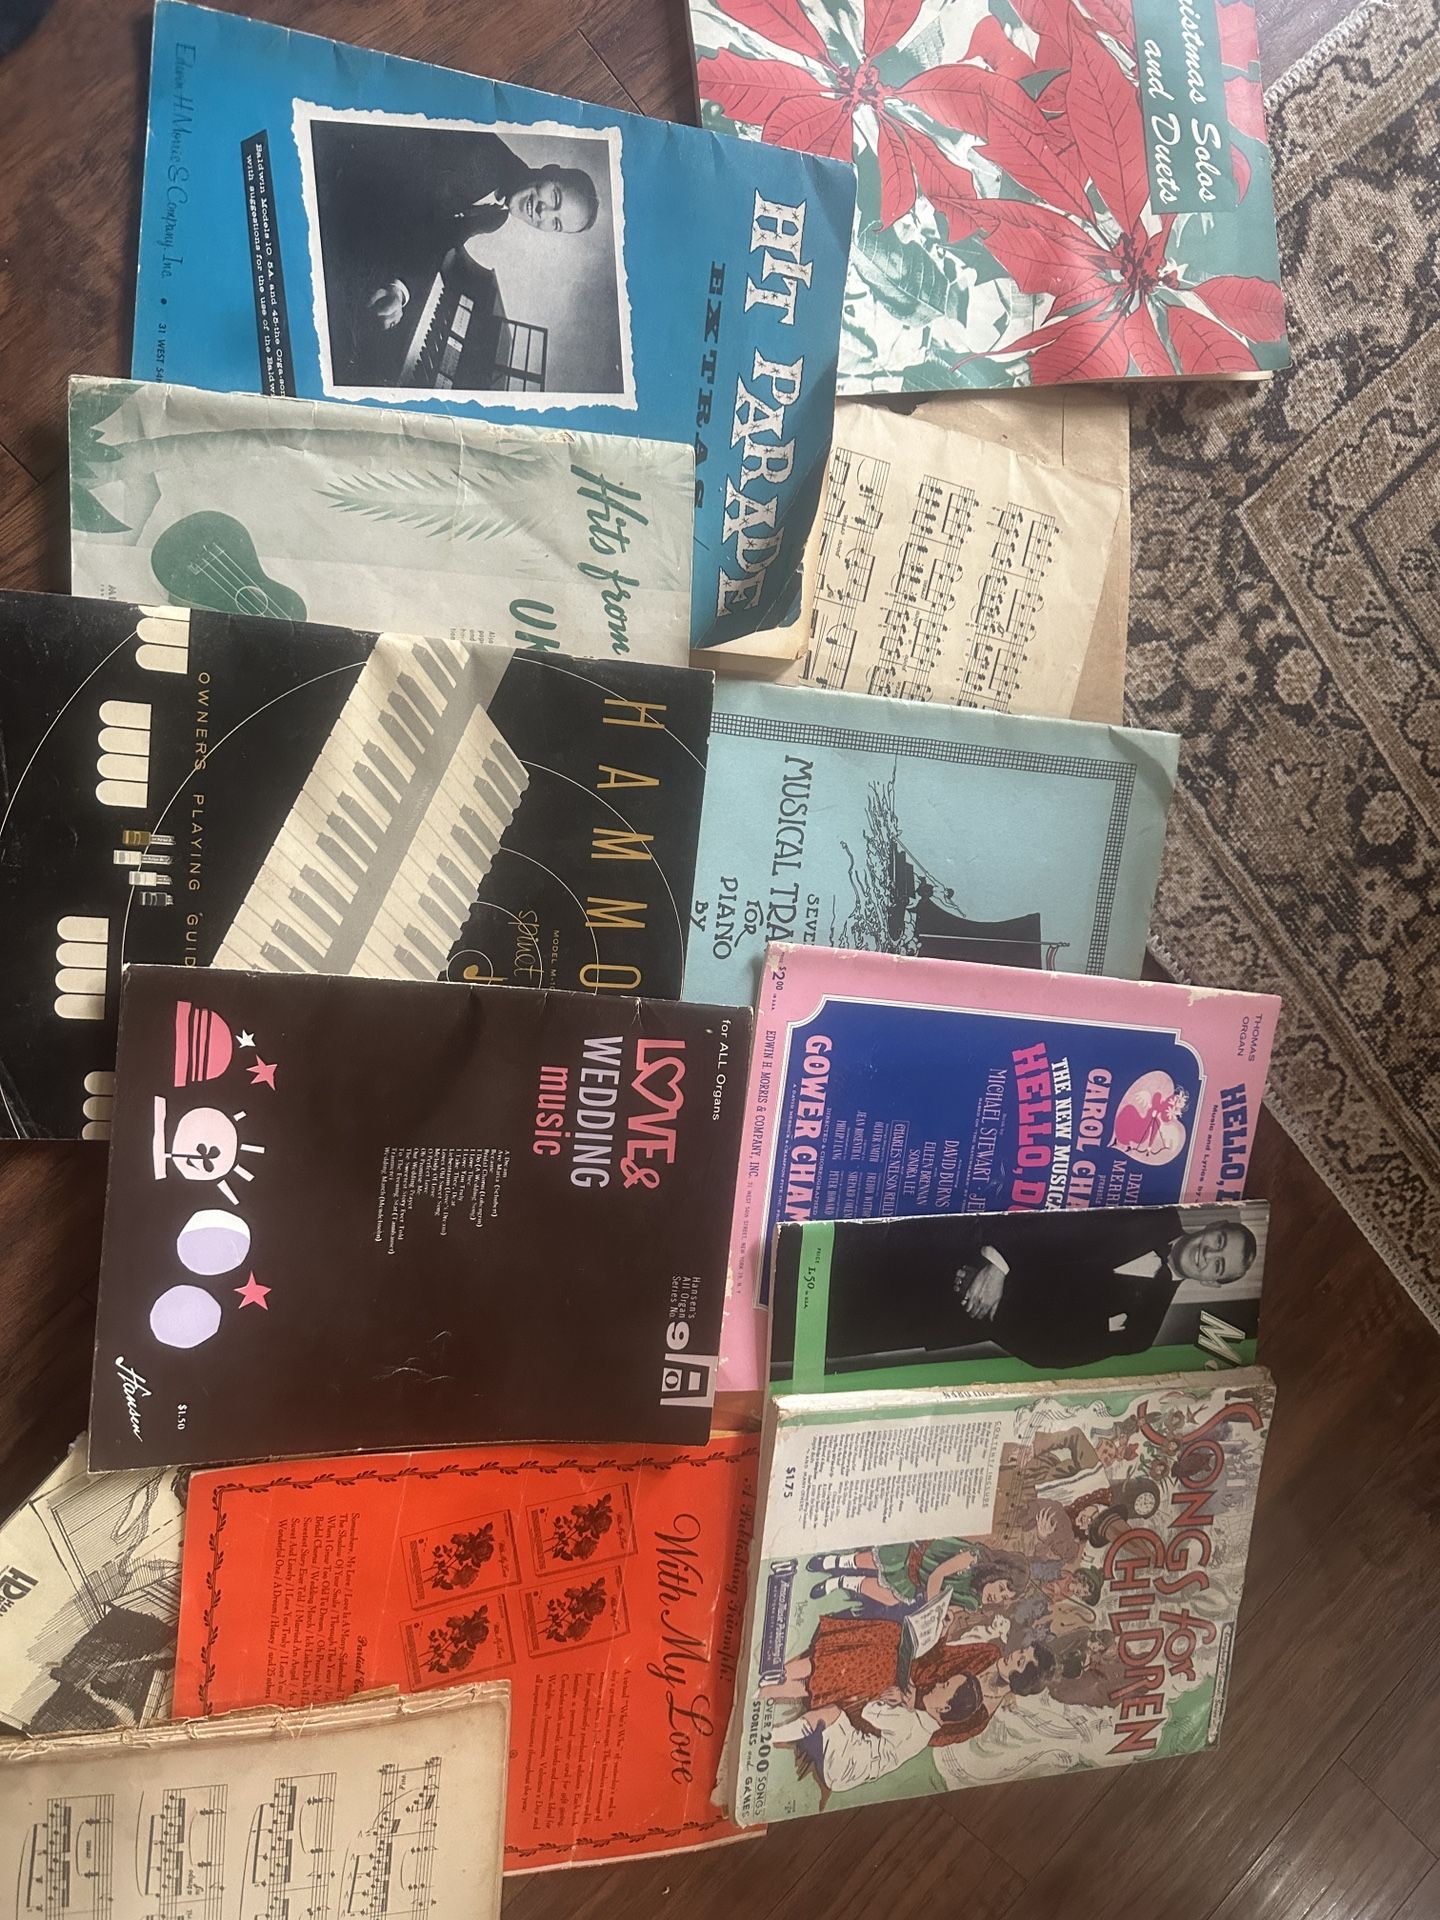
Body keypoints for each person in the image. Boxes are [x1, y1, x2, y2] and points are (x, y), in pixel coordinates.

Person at [805, 1208, 1259, 1374]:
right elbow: (1057, 1219)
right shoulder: (1155, 1209)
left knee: (819, 1327)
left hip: (960, 1313)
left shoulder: (1141, 1330)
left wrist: (992, 1305)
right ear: (1213, 1226)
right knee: (823, 1251)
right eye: (1219, 1240)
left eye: (1218, 1264)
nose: (1208, 1253)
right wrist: (998, 1264)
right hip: (960, 1243)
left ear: (1211, 1282)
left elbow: (1053, 1352)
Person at [309, 121, 599, 344]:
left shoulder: (497, 217)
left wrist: (399, 290)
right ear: (550, 170)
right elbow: (388, 182)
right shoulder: (481, 150)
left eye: (555, 223)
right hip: (332, 190)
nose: (544, 212)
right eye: (555, 197)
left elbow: (436, 241)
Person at [768, 1637, 1054, 1792]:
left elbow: (933, 1734)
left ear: (1021, 1680)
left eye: (1021, 1662)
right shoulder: (989, 1653)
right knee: (883, 1641)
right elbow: (939, 1658)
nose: (1015, 1655)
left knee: (870, 1677)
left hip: (901, 1711)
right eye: (1022, 1651)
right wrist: (942, 1631)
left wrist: (913, 1701)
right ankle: (782, 1675)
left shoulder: (979, 1718)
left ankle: (785, 1687)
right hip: (911, 1674)